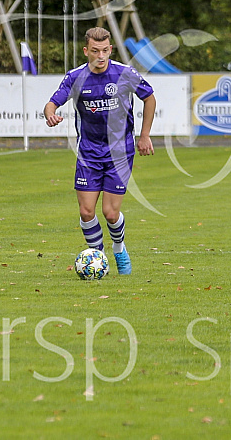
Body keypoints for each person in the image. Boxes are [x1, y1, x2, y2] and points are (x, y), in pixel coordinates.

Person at [44, 27, 156, 275]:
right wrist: (50, 113)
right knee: (86, 212)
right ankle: (98, 258)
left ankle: (119, 248)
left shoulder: (125, 74)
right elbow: (52, 102)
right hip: (88, 151)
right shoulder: (75, 77)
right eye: (95, 51)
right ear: (86, 51)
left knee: (110, 212)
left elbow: (149, 97)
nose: (101, 56)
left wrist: (145, 135)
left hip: (120, 152)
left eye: (105, 50)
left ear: (110, 50)